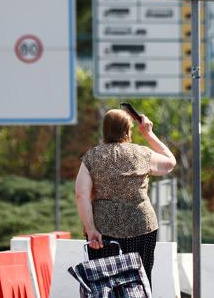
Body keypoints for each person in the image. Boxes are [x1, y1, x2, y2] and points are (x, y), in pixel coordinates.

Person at [75, 109, 176, 287]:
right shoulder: (142, 154)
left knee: (104, 284)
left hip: (104, 230)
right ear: (128, 131)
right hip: (142, 226)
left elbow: (81, 194)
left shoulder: (91, 157)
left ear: (105, 130)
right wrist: (148, 133)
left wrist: (90, 229)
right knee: (140, 281)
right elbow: (170, 163)